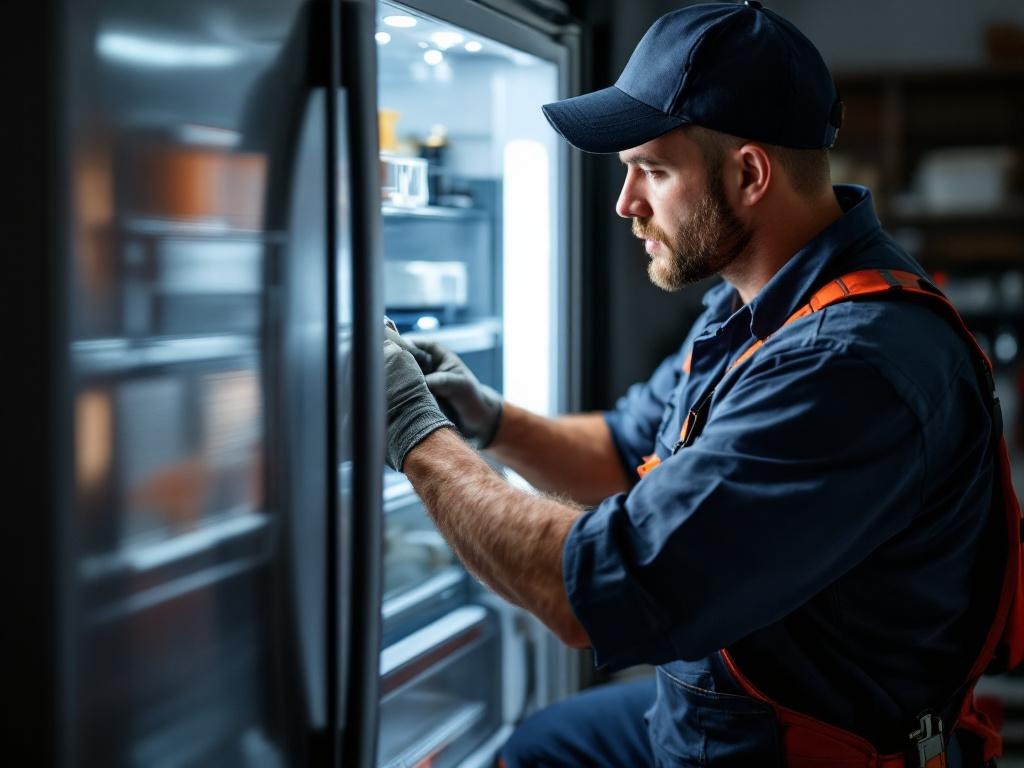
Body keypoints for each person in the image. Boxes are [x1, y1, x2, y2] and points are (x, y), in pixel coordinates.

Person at [383, 2, 1019, 765]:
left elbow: (582, 590)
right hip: (722, 712)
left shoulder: (848, 365)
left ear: (749, 173)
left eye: (651, 169)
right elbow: (624, 449)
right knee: (546, 744)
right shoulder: (753, 302)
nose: (626, 203)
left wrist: (415, 432)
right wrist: (487, 420)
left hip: (799, 748)